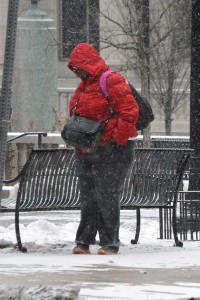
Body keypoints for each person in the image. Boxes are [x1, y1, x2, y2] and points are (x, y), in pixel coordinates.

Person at [67, 42, 139, 255]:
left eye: (79, 67)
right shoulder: (85, 84)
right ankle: (83, 241)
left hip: (110, 149)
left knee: (106, 195)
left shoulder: (110, 80)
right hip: (87, 148)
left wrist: (114, 139)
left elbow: (129, 111)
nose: (77, 71)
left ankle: (109, 242)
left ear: (87, 64)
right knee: (89, 195)